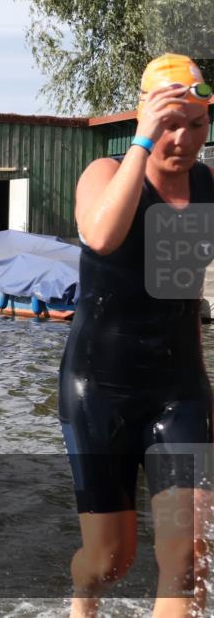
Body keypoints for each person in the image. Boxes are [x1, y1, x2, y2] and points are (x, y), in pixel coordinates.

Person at [59, 53, 213, 618]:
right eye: (168, 124)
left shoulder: (207, 189)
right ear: (143, 117)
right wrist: (141, 145)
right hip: (99, 390)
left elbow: (181, 294)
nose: (182, 139)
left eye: (195, 125)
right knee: (111, 561)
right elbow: (101, 235)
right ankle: (83, 597)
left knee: (188, 558)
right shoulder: (104, 173)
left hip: (178, 390)